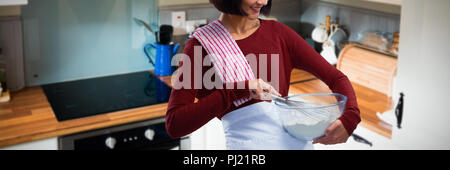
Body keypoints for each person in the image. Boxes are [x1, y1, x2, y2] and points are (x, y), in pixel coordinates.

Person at [165, 0, 360, 150]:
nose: (263, 2)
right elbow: (175, 124)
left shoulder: (279, 34)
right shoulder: (201, 46)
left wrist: (350, 118)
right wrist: (237, 91)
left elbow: (336, 78)